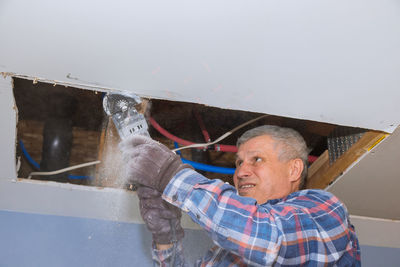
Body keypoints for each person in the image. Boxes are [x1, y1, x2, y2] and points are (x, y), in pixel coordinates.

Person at [120, 125, 361, 266]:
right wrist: (166, 236)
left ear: (294, 169)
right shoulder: (225, 252)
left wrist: (169, 174)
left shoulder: (325, 210)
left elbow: (267, 238)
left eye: (257, 159)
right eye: (238, 163)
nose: (241, 172)